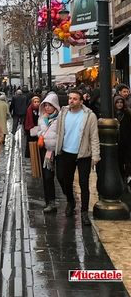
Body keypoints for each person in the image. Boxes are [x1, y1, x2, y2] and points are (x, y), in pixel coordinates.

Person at [55, 90, 100, 226]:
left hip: (83, 154)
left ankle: (84, 212)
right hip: (66, 152)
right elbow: (58, 132)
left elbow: (94, 136)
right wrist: (55, 149)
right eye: (70, 98)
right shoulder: (63, 113)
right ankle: (71, 200)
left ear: (81, 101)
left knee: (83, 183)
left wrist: (96, 155)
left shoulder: (89, 116)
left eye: (75, 99)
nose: (71, 101)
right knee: (64, 179)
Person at [37, 92, 61, 213]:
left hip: (57, 151)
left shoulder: (60, 119)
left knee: (61, 177)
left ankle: (68, 201)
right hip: (45, 151)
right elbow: (39, 130)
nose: (47, 107)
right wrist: (40, 136)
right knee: (47, 177)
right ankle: (50, 202)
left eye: (49, 105)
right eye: (45, 105)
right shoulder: (42, 118)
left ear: (55, 106)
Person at [114, 96, 131, 186]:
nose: (119, 104)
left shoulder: (127, 113)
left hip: (126, 141)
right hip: (117, 142)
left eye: (121, 102)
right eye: (117, 102)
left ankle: (127, 176)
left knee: (127, 160)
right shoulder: (113, 115)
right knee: (119, 162)